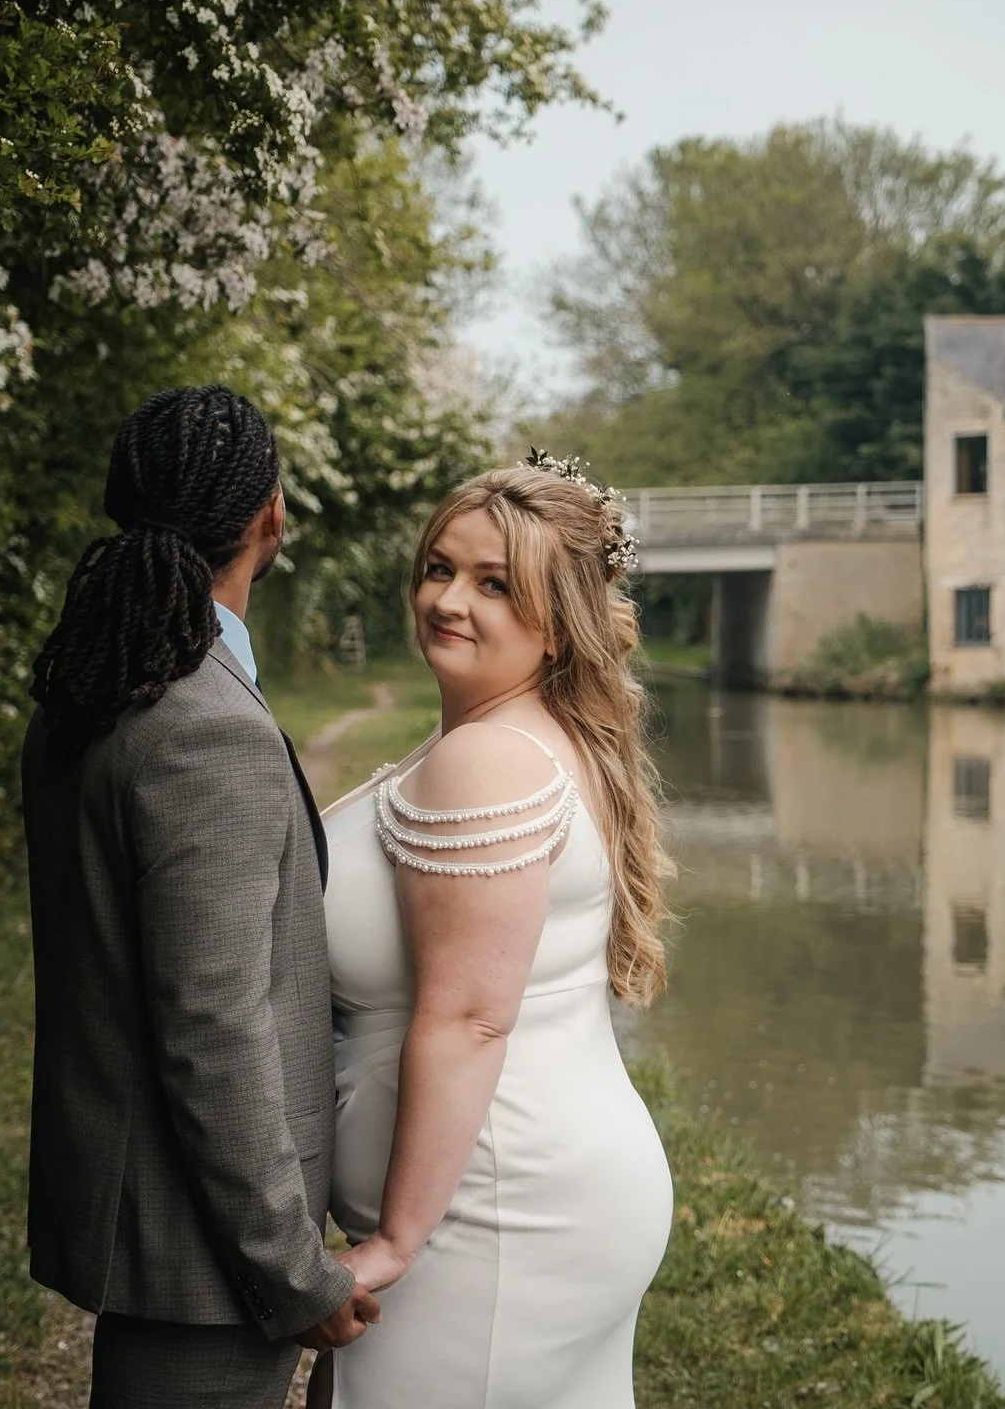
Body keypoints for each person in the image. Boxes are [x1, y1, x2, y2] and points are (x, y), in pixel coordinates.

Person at [21, 384, 378, 1409]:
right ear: (271, 514)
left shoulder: (93, 687)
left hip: (158, 1223)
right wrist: (290, 1271)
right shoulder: (203, 723)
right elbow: (210, 1028)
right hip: (205, 1255)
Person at [317, 452, 674, 1409]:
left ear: (558, 623)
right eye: (440, 567)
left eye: (495, 585)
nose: (448, 601)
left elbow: (471, 1018)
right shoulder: (520, 736)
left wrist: (395, 1241)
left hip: (492, 1218)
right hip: (532, 1190)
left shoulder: (489, 761)